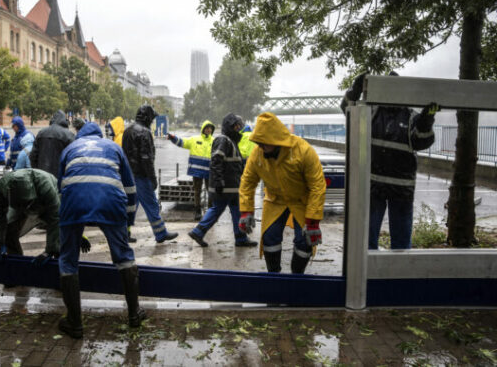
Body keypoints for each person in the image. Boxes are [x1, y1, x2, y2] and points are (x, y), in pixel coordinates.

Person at [57, 122, 144, 338]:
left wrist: (68, 218)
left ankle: (75, 323)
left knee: (68, 260)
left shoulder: (70, 149)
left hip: (73, 202)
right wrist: (128, 222)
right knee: (123, 256)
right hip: (110, 202)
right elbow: (131, 188)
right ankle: (134, 315)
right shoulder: (114, 147)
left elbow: (60, 186)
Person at [341, 71, 438, 249]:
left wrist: (426, 121)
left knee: (401, 244)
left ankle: (398, 276)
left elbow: (421, 142)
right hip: (374, 188)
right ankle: (369, 275)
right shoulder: (372, 112)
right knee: (366, 242)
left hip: (401, 192)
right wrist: (355, 90)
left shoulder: (411, 117)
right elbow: (348, 110)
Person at [238, 112, 326, 274]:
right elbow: (247, 182)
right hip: (275, 200)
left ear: (275, 140)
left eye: (264, 143)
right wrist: (246, 210)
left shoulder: (303, 151)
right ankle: (274, 275)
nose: (261, 148)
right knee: (270, 237)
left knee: (304, 240)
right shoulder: (258, 154)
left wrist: (313, 220)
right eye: (259, 143)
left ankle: (296, 276)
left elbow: (317, 186)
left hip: (301, 201)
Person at [187, 114, 257, 248]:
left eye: (239, 126)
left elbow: (234, 165)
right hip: (225, 187)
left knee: (236, 211)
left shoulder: (232, 142)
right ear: (229, 126)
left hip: (232, 187)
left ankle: (241, 237)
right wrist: (218, 181)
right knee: (217, 209)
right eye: (236, 126)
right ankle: (198, 231)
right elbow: (216, 161)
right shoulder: (223, 140)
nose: (238, 128)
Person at [0, 168, 71, 266]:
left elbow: (55, 217)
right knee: (9, 231)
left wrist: (51, 250)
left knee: (59, 238)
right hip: (21, 206)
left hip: (45, 205)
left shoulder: (45, 186)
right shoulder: (5, 186)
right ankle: (17, 267)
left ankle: (59, 268)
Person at [122, 105, 178, 243]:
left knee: (131, 205)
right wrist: (153, 179)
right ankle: (161, 233)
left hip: (128, 175)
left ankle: (124, 233)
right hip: (141, 175)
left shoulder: (128, 130)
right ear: (147, 117)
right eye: (152, 119)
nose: (152, 121)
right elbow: (146, 159)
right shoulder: (145, 132)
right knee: (151, 204)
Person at [167, 120, 215, 220]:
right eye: (207, 128)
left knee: (211, 191)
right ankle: (197, 211)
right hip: (196, 171)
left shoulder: (214, 142)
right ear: (203, 129)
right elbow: (182, 142)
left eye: (210, 128)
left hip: (209, 171)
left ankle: (210, 212)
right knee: (197, 191)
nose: (208, 130)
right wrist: (173, 138)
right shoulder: (194, 139)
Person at [29, 110, 74, 179]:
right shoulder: (68, 135)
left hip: (42, 175)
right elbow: (73, 157)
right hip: (60, 176)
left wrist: (37, 171)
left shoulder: (41, 133)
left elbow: (33, 156)